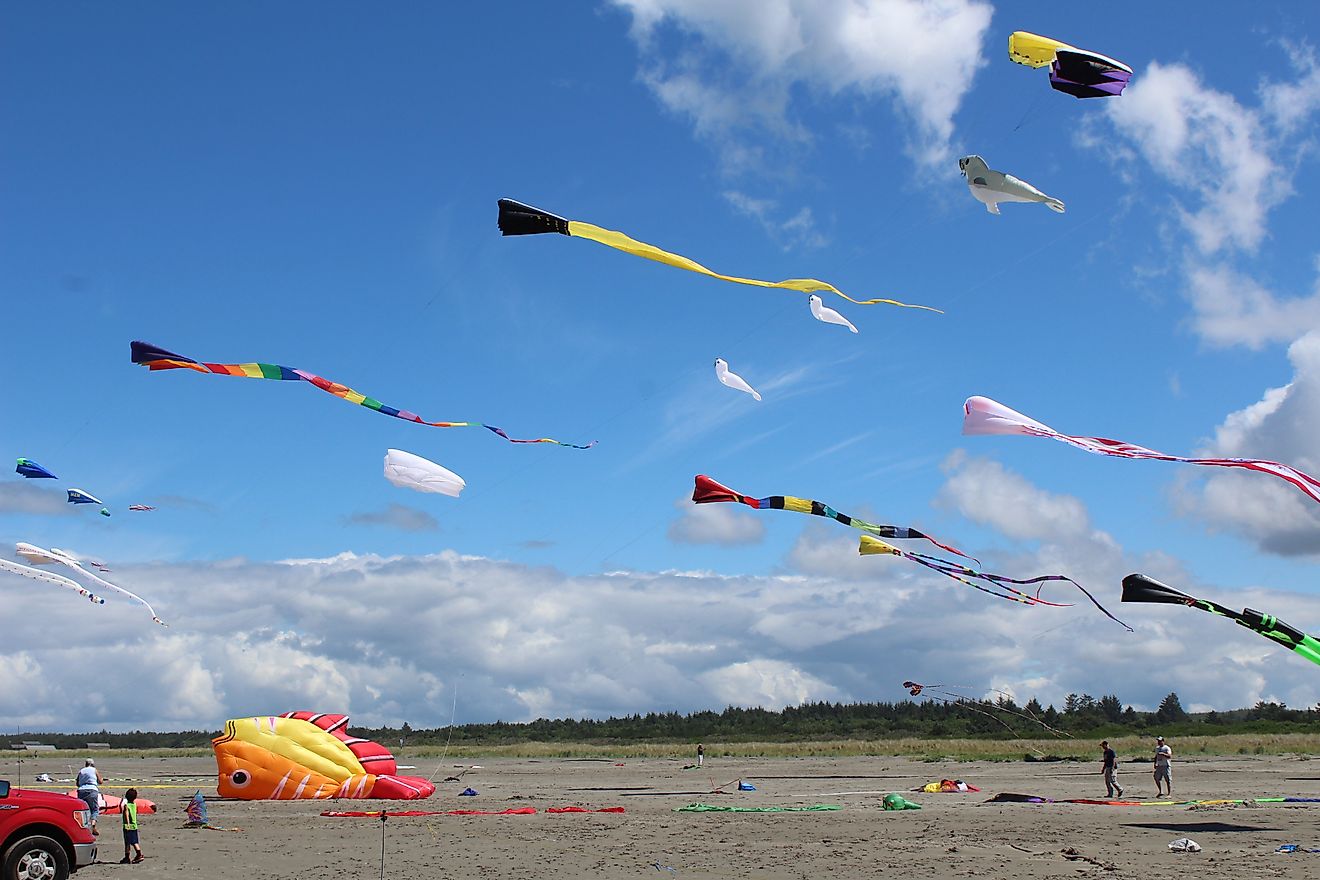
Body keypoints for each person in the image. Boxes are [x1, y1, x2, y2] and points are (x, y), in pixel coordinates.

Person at [75, 759, 102, 837]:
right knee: (94, 809)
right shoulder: (94, 770)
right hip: (92, 790)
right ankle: (93, 824)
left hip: (81, 790)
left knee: (82, 809)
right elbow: (100, 781)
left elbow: (77, 783)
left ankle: (83, 827)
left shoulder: (81, 771)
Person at [120, 787, 144, 864]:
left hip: (128, 826)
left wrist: (127, 824)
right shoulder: (134, 805)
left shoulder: (126, 806)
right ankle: (127, 857)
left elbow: (127, 815)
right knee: (132, 841)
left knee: (131, 842)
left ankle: (139, 854)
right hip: (134, 825)